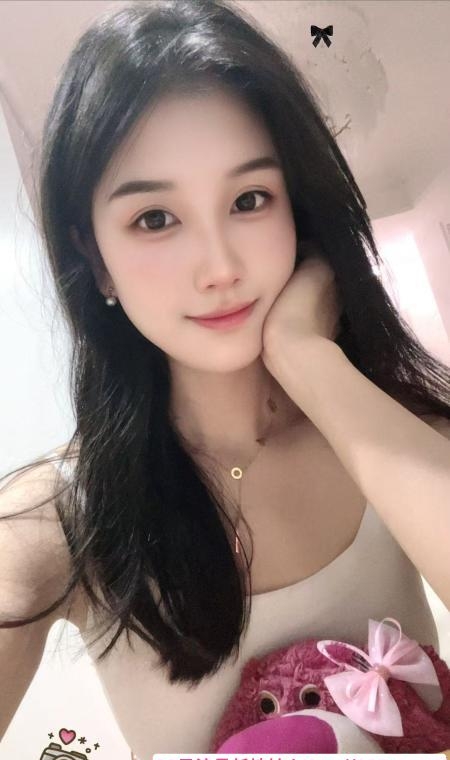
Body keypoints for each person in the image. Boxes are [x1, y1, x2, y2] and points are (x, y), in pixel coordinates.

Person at [1, 0, 449, 756]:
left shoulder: (387, 429)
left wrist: (310, 362)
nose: (219, 267)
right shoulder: (61, 521)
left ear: (297, 212)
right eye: (154, 218)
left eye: (249, 200)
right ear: (95, 258)